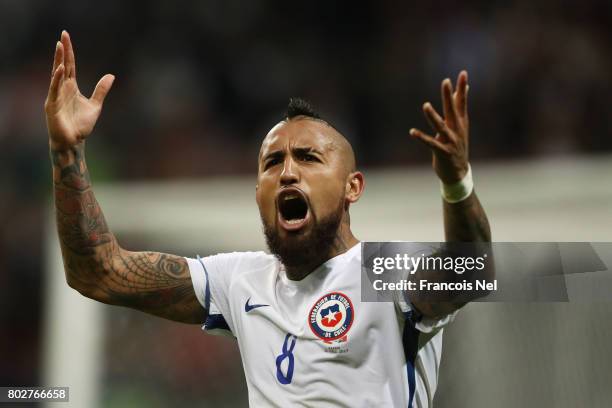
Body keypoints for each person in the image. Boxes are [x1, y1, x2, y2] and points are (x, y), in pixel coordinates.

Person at [45, 30, 491, 407]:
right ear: (257, 192)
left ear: (352, 186)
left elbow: (475, 272)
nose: (288, 171)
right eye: (272, 162)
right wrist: (67, 148)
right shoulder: (240, 281)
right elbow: (98, 272)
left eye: (308, 157)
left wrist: (457, 184)